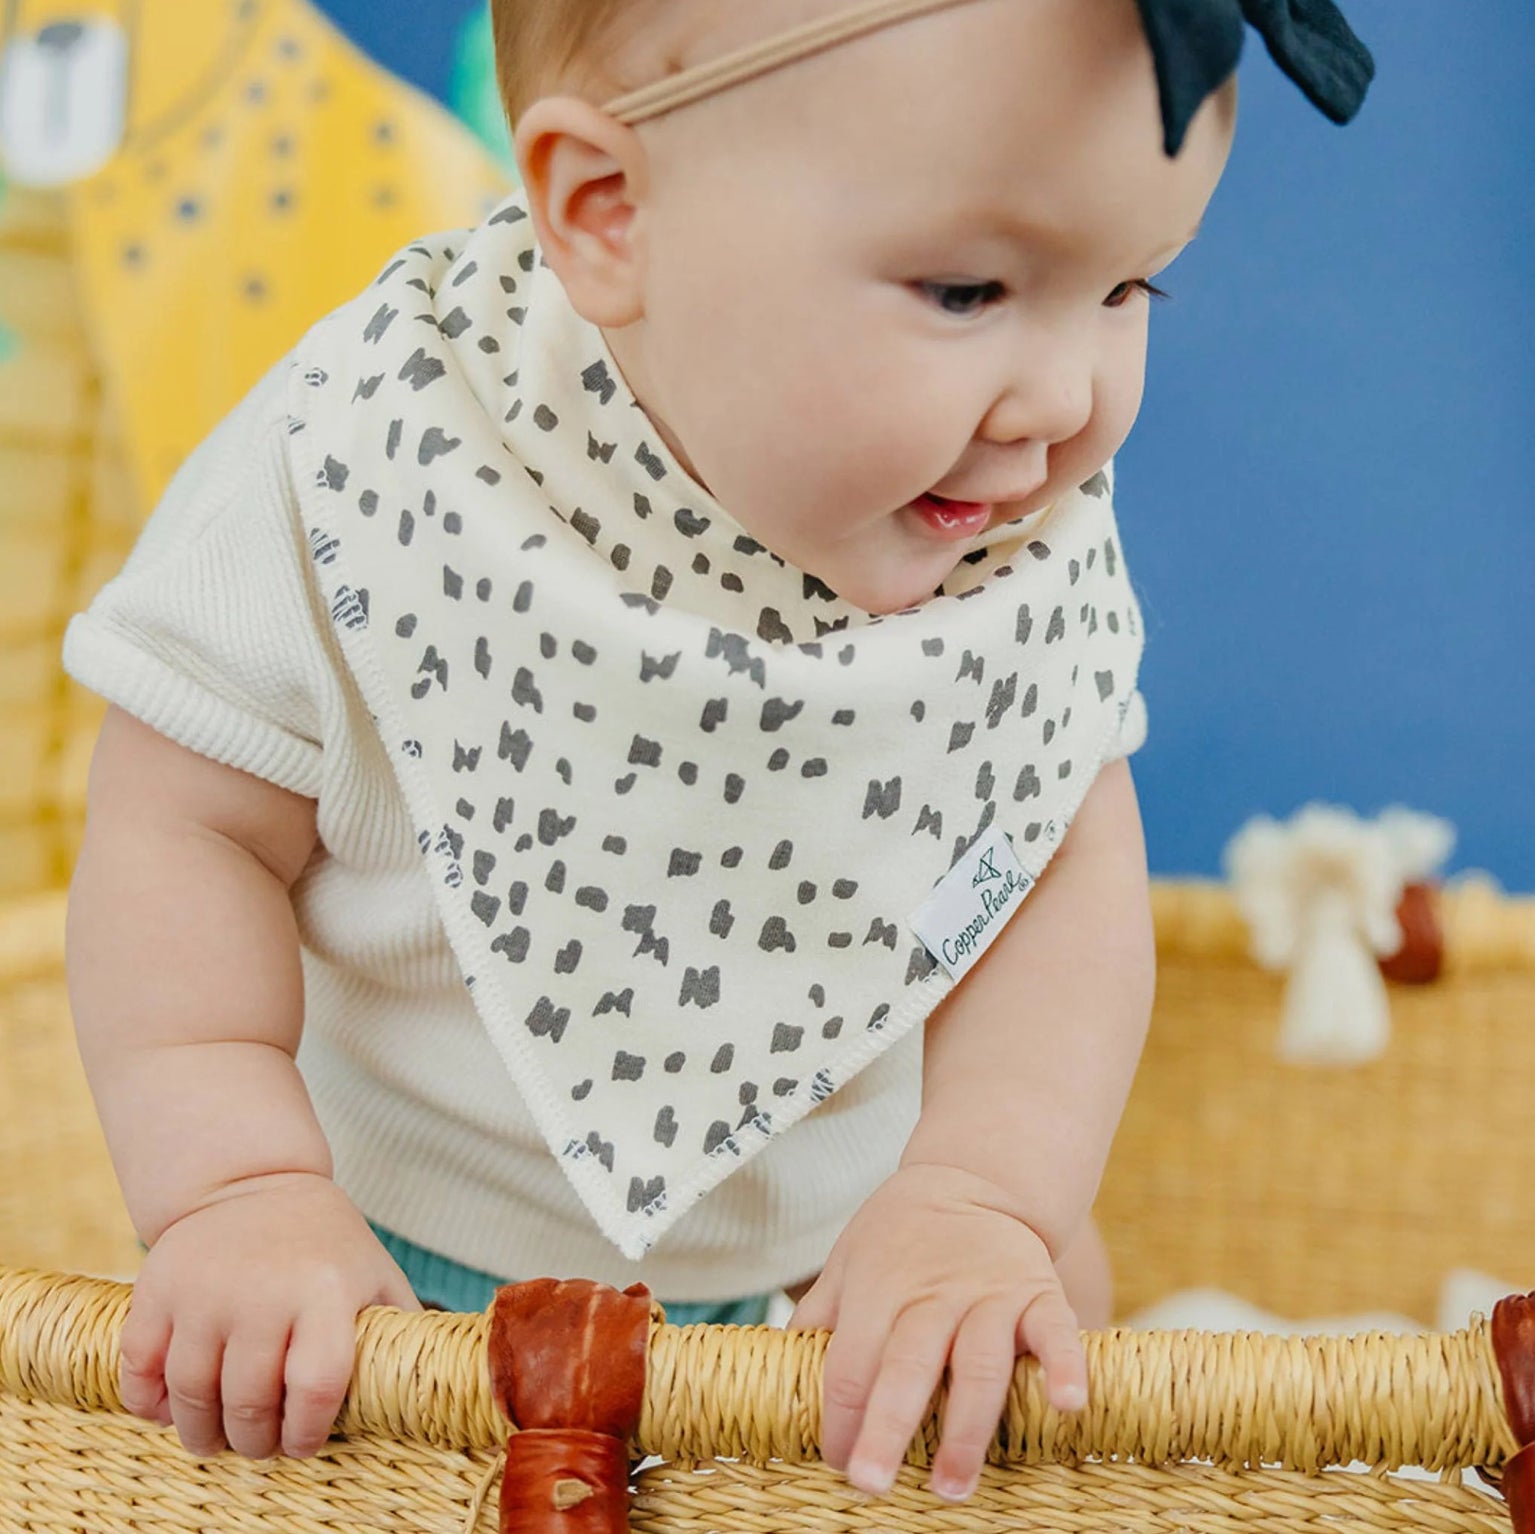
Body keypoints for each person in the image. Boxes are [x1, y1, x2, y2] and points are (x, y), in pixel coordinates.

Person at [61, 0, 1371, 1505]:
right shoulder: (381, 457)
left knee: (1044, 1299)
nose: (1069, 402)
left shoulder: (1006, 542)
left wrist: (981, 1192)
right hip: (388, 1273)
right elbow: (187, 825)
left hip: (849, 1284)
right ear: (607, 212)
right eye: (967, 289)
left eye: (1129, 287)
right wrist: (237, 1184)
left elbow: (1055, 850)